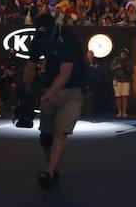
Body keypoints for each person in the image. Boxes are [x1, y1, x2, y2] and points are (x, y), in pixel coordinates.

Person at [22, 13, 88, 190]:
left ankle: (50, 172)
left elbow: (65, 72)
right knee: (45, 136)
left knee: (60, 131)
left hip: (73, 89)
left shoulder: (67, 36)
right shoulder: (38, 39)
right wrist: (25, 90)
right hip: (49, 87)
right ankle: (54, 168)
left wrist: (47, 95)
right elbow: (30, 66)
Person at [111, 51, 131, 118]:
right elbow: (111, 68)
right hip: (117, 80)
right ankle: (119, 111)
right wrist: (117, 66)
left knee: (125, 96)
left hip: (126, 80)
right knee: (118, 96)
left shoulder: (128, 61)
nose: (123, 55)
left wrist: (125, 68)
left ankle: (124, 112)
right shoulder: (116, 60)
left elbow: (131, 70)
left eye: (125, 54)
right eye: (122, 54)